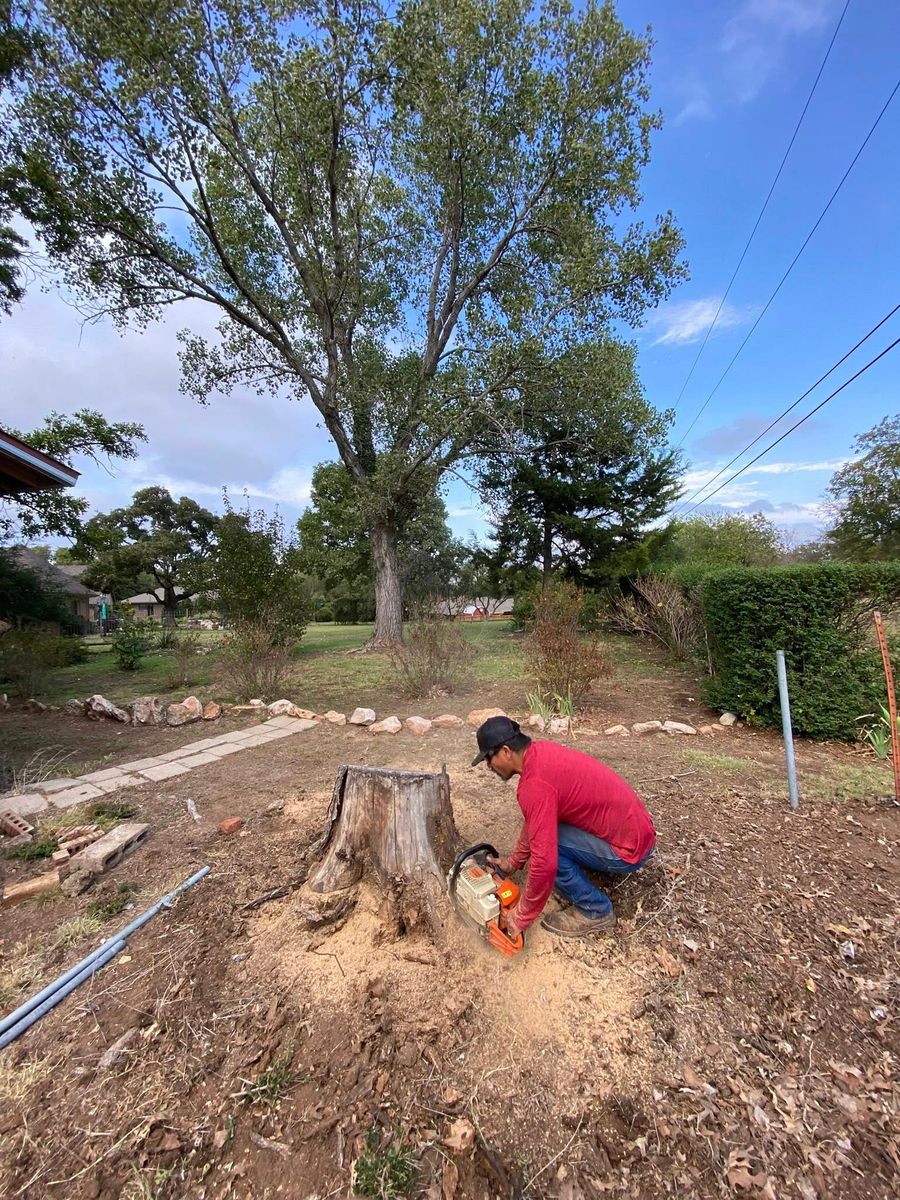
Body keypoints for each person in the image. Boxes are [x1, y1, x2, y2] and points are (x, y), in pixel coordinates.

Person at [471, 715, 655, 939]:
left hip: (630, 850)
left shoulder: (535, 786)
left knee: (549, 850)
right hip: (637, 830)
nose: (489, 766)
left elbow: (544, 863)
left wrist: (522, 915)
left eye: (489, 758)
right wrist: (513, 862)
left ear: (506, 751)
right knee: (545, 833)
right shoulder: (541, 752)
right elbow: (536, 819)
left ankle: (596, 911)